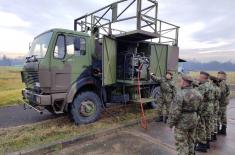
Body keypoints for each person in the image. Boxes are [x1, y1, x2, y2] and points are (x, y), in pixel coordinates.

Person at [168, 75, 203, 155]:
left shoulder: (180, 94)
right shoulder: (198, 93)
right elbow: (200, 109)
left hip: (182, 122)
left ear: (184, 82)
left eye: (180, 81)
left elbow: (175, 112)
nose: (180, 82)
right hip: (193, 119)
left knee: (182, 144)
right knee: (191, 140)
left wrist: (170, 124)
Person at [195, 71, 214, 152]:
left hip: (204, 108)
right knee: (207, 125)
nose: (198, 78)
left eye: (199, 77)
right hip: (210, 107)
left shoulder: (203, 86)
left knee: (201, 126)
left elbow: (197, 96)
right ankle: (207, 142)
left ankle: (202, 144)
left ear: (203, 78)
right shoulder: (210, 84)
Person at [217, 71, 230, 135]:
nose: (218, 76)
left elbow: (221, 93)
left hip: (221, 102)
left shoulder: (222, 83)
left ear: (223, 76)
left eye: (219, 75)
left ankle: (219, 130)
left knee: (219, 115)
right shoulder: (225, 82)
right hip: (224, 102)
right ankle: (223, 129)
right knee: (224, 115)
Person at [210, 76, 221, 141]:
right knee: (215, 119)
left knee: (212, 119)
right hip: (217, 104)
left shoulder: (213, 88)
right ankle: (214, 134)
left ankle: (212, 134)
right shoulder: (218, 88)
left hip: (213, 104)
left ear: (212, 81)